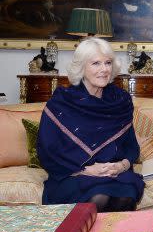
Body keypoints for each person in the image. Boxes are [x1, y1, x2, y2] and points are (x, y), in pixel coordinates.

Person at [37, 37, 143, 212]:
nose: (104, 69)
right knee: (98, 196)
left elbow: (131, 148)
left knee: (127, 194)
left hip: (113, 174)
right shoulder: (61, 103)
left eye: (108, 63)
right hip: (73, 175)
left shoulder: (120, 101)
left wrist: (121, 165)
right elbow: (48, 152)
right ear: (81, 67)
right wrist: (85, 170)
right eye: (96, 63)